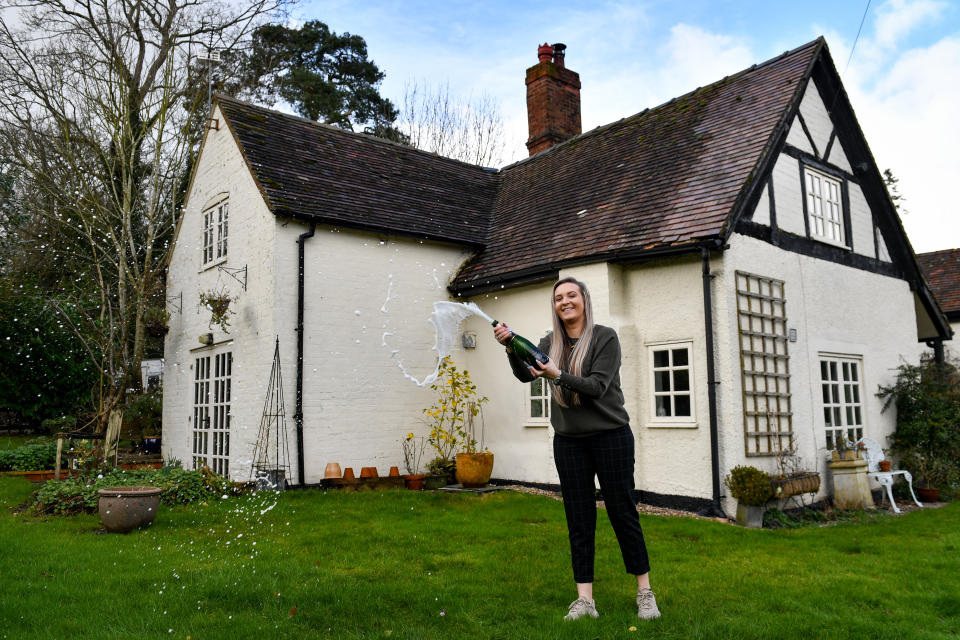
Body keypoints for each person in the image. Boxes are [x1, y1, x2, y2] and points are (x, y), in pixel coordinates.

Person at [494, 276, 660, 621]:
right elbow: (526, 375)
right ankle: (585, 600)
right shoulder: (547, 342)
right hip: (569, 441)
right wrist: (512, 348)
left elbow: (597, 387)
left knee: (622, 512)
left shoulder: (604, 338)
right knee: (579, 517)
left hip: (611, 436)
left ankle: (645, 592)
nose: (565, 301)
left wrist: (556, 375)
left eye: (571, 295)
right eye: (558, 298)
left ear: (584, 299)